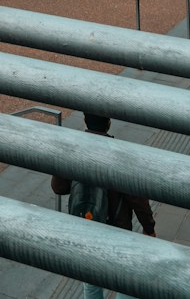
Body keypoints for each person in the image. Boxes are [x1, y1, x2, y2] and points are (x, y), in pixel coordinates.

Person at [51, 112, 156, 299]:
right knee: (125, 280)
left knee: (91, 281)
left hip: (86, 225)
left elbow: (58, 187)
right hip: (117, 226)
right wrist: (149, 227)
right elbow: (137, 197)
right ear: (108, 123)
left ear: (85, 121)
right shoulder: (120, 154)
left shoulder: (73, 149)